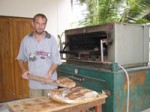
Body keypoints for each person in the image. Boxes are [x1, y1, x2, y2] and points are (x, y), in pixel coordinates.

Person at [16, 13, 62, 98]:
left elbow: (56, 61)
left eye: (43, 24)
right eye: (37, 23)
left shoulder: (51, 40)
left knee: (51, 109)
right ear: (33, 23)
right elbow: (20, 58)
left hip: (50, 83)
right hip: (34, 85)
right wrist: (23, 71)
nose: (40, 26)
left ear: (45, 25)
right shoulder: (26, 40)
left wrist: (49, 74)